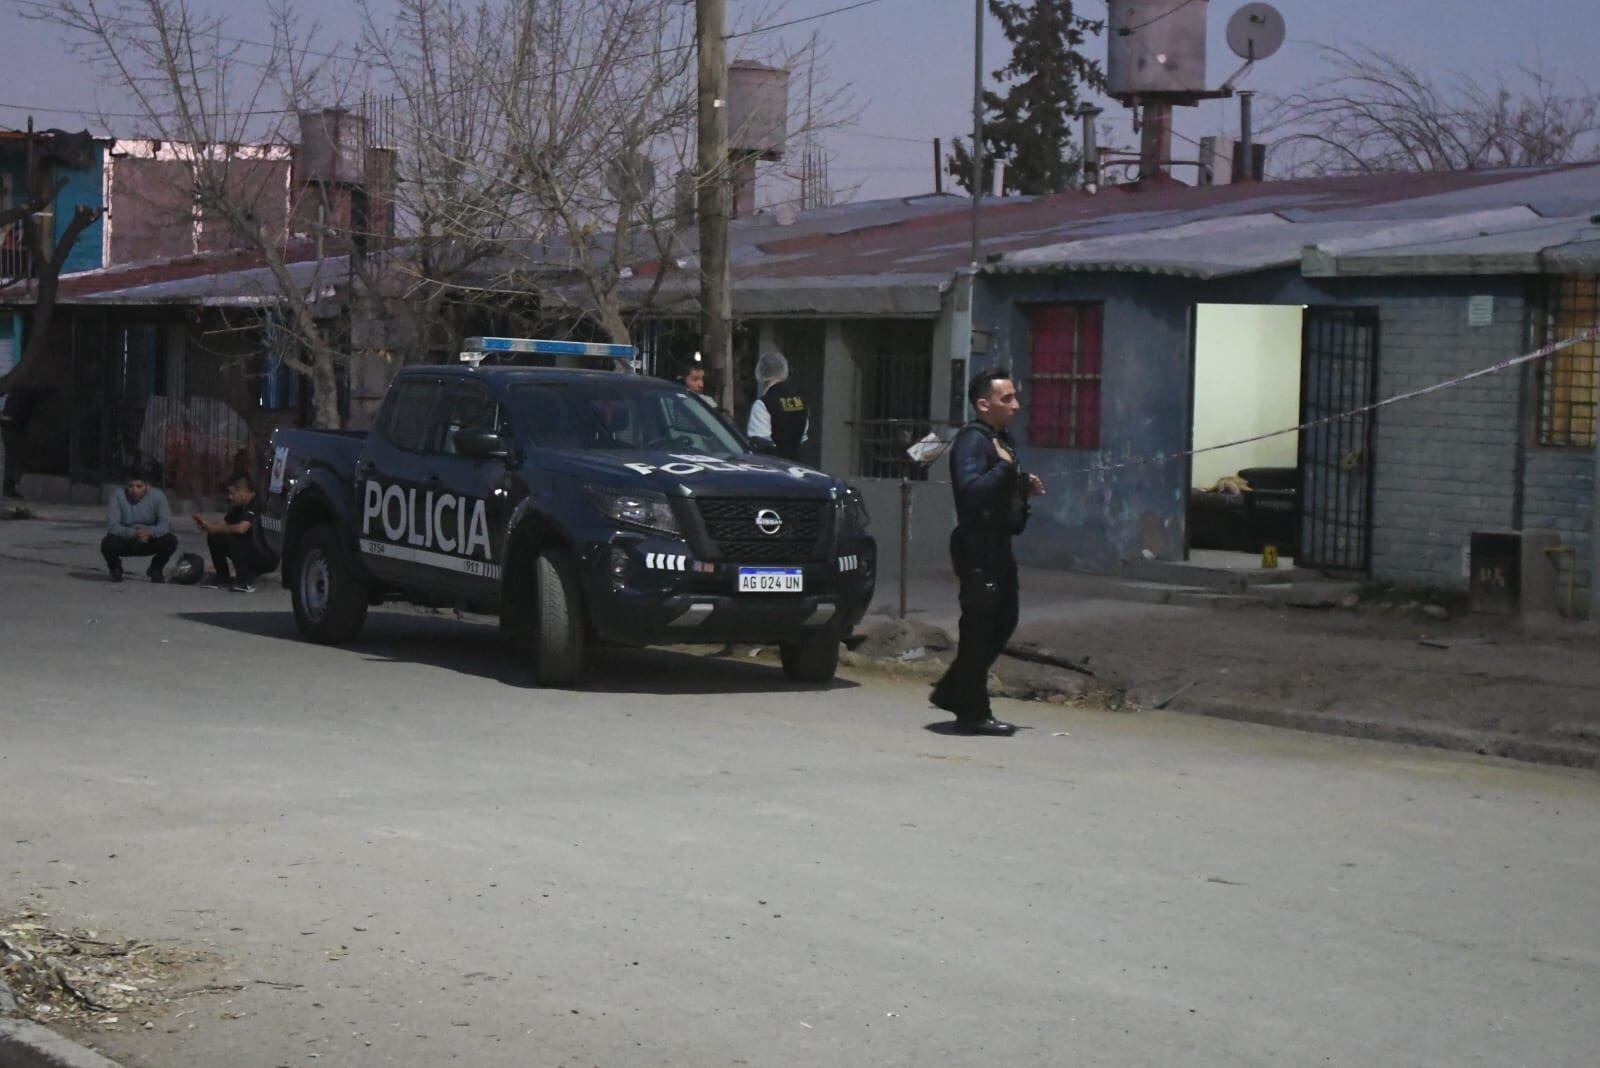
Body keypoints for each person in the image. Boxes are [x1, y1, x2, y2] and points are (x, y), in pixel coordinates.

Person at [929, 368, 1045, 736]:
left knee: (1003, 619)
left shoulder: (999, 439)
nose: (1016, 406)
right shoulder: (972, 440)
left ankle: (955, 690)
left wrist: (1020, 484)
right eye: (1006, 398)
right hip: (977, 547)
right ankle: (972, 710)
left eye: (1015, 397)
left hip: (997, 544)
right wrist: (1006, 470)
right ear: (984, 403)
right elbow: (971, 490)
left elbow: (997, 485)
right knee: (980, 627)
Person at [193, 473, 279, 592]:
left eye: (232, 493)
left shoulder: (257, 503)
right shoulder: (238, 507)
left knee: (236, 535)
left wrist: (217, 529)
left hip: (266, 556)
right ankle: (222, 578)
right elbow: (224, 525)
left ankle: (245, 581)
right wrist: (209, 526)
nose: (230, 497)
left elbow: (242, 528)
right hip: (252, 550)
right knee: (215, 536)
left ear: (243, 492)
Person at [101, 471, 179, 583]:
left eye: (139, 486)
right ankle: (115, 568)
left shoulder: (158, 496)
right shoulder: (117, 496)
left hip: (148, 539)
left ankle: (155, 569)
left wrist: (150, 532)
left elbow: (165, 524)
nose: (134, 490)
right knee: (107, 543)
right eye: (131, 486)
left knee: (171, 541)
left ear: (147, 487)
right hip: (126, 538)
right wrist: (133, 533)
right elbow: (112, 525)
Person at [746, 350, 809, 461]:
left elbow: (760, 443)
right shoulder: (800, 401)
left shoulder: (763, 404)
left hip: (774, 467)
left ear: (760, 373)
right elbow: (803, 438)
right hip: (798, 465)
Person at [1, 384, 43, 499]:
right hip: (13, 430)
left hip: (14, 429)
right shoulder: (17, 396)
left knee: (14, 460)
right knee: (13, 460)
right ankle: (8, 488)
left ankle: (9, 487)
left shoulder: (16, 395)